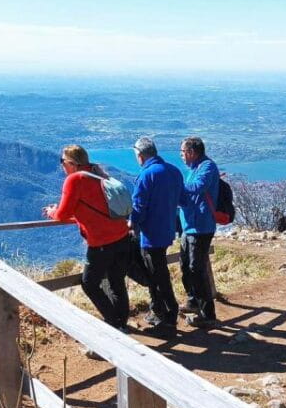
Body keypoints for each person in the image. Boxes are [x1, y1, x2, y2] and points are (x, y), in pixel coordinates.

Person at [42, 145, 130, 331]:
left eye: (62, 162)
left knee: (89, 283)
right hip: (122, 236)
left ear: (72, 164)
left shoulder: (74, 179)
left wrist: (51, 211)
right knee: (116, 282)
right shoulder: (97, 173)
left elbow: (62, 214)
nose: (61, 166)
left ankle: (113, 324)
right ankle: (121, 325)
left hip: (101, 242)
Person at [129, 137, 184, 332]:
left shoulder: (146, 175)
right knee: (158, 272)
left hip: (150, 233)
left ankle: (168, 317)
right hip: (167, 229)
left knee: (157, 274)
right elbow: (181, 198)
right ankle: (158, 310)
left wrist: (132, 224)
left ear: (140, 155)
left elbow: (139, 206)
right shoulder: (173, 171)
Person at [178, 136, 220, 327]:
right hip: (189, 226)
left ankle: (207, 313)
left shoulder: (207, 167)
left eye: (183, 152)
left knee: (197, 268)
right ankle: (193, 301)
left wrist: (175, 185)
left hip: (201, 227)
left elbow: (198, 187)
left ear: (192, 152)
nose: (181, 156)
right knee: (186, 266)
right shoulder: (193, 169)